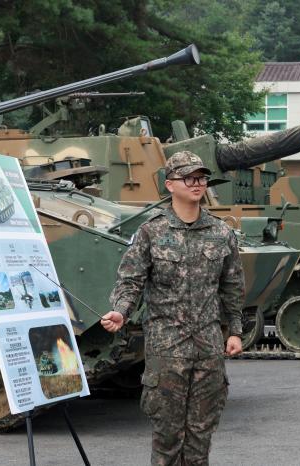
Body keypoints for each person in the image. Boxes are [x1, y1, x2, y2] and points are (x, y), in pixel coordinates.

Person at [102, 151, 245, 465]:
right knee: (167, 439)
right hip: (167, 350)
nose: (197, 183)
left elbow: (232, 286)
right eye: (188, 177)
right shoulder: (151, 232)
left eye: (201, 177)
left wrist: (235, 330)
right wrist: (121, 311)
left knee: (200, 439)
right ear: (170, 184)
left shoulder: (221, 233)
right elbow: (131, 280)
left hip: (208, 351)